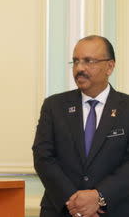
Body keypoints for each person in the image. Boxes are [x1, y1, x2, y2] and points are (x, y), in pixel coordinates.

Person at [33, 35, 129, 217]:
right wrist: (75, 204)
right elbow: (43, 157)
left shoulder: (126, 108)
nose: (79, 68)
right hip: (61, 210)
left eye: (88, 61)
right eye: (75, 61)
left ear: (110, 66)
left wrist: (98, 197)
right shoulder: (54, 106)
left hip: (114, 210)